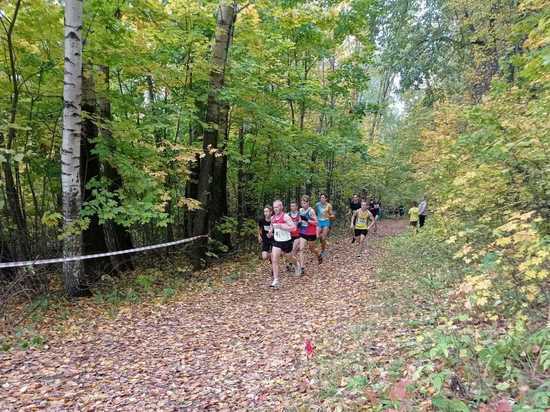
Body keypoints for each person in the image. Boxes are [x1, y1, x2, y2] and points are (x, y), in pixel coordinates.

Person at [269, 200, 297, 288]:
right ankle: (276, 280)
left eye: (277, 207)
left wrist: (281, 226)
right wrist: (270, 232)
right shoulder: (272, 218)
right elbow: (271, 227)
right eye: (274, 207)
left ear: (281, 207)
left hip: (286, 241)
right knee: (274, 259)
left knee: (289, 257)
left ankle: (297, 265)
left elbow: (293, 228)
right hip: (277, 241)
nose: (275, 209)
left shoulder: (286, 217)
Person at [297, 195, 322, 274]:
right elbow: (300, 219)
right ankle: (302, 268)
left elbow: (316, 222)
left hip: (311, 232)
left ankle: (318, 255)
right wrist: (299, 223)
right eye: (302, 203)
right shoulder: (300, 210)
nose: (303, 204)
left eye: (305, 203)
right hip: (303, 232)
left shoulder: (311, 211)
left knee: (312, 249)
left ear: (308, 203)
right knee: (301, 249)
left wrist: (307, 220)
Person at [288, 201, 302, 275]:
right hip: (289, 235)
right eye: (291, 206)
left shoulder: (300, 214)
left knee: (293, 249)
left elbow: (301, 224)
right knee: (291, 251)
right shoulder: (288, 214)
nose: (292, 207)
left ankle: (295, 266)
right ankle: (291, 263)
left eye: (294, 206)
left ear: (296, 207)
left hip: (297, 235)